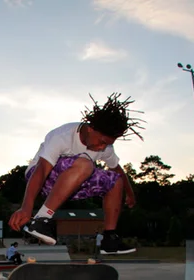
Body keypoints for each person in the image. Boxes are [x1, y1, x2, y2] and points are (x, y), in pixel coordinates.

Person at [9, 93, 144, 255]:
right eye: (101, 142)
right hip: (42, 177)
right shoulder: (62, 136)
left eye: (107, 144)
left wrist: (129, 193)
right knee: (85, 164)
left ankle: (109, 238)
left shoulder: (106, 148)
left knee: (115, 180)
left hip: (74, 183)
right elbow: (42, 169)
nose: (102, 148)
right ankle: (40, 220)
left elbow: (117, 169)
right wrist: (26, 208)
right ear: (91, 128)